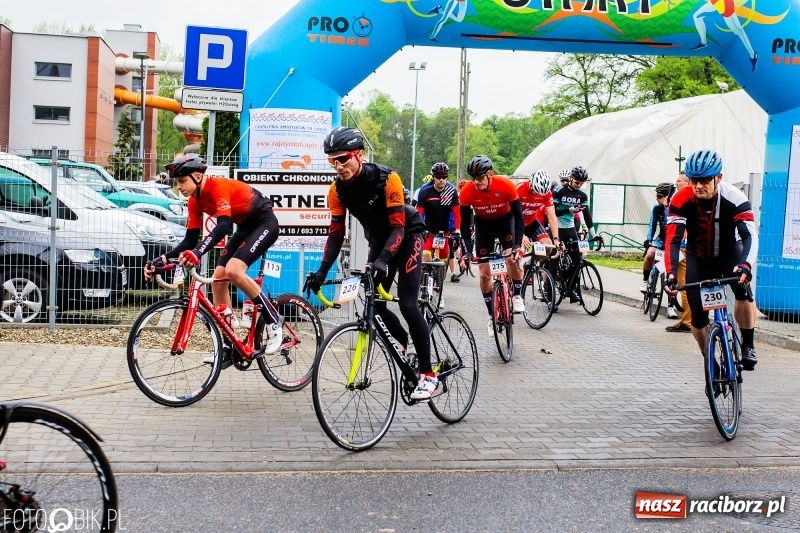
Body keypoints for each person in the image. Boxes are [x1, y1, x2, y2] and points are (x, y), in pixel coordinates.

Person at [306, 127, 436, 400]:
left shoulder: (387, 178)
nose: (338, 166)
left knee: (408, 304)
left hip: (408, 234)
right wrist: (322, 271)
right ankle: (406, 346)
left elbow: (398, 227)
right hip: (378, 241)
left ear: (359, 155)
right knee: (374, 306)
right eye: (332, 160)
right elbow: (336, 235)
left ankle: (428, 374)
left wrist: (384, 260)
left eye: (343, 159)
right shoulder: (336, 190)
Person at [143, 153, 284, 368]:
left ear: (198, 176)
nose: (178, 187)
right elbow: (189, 240)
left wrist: (198, 252)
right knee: (218, 280)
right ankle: (229, 345)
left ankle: (274, 321)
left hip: (264, 223)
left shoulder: (217, 186)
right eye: (176, 182)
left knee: (234, 270)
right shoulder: (194, 201)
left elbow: (223, 227)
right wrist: (159, 260)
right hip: (245, 227)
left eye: (182, 181)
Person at [664, 149, 758, 370]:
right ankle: (710, 361)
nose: (698, 186)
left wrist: (745, 264)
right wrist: (670, 272)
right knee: (698, 315)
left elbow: (749, 235)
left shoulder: (735, 197)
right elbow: (673, 240)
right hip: (699, 257)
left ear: (719, 178)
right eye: (694, 180)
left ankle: (748, 345)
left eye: (705, 180)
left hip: (729, 252)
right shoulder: (681, 198)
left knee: (742, 289)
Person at [459, 155, 526, 336]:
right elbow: (464, 225)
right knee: (484, 274)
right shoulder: (466, 191)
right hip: (484, 227)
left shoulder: (505, 185)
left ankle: (517, 295)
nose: (476, 182)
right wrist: (466, 251)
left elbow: (519, 217)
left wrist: (517, 245)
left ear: (490, 174)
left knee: (511, 260)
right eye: (473, 178)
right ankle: (491, 315)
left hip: (506, 224)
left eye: (480, 177)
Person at [551, 165, 599, 303]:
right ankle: (549, 294)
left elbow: (587, 215)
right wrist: (569, 210)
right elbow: (552, 213)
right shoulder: (559, 191)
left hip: (570, 229)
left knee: (577, 259)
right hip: (556, 228)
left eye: (581, 183)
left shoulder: (581, 195)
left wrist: (594, 234)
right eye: (577, 182)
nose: (579, 185)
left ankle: (569, 288)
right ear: (570, 178)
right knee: (554, 260)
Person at [416, 162, 462, 295]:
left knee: (442, 264)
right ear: (433, 177)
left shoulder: (451, 191)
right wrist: (420, 228)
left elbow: (457, 213)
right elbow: (419, 213)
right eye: (438, 177)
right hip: (429, 232)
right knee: (425, 259)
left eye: (444, 177)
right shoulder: (425, 192)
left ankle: (438, 288)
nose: (441, 180)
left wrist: (457, 230)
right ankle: (423, 287)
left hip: (444, 233)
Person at [666, 171, 693, 332]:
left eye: (679, 181)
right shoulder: (680, 198)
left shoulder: (685, 200)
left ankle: (688, 321)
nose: (676, 183)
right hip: (685, 248)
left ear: (688, 183)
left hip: (684, 248)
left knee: (684, 285)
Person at [517, 169, 560, 254]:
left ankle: (533, 262)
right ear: (531, 184)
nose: (538, 195)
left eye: (541, 194)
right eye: (536, 192)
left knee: (547, 246)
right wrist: (521, 236)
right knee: (519, 251)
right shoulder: (519, 189)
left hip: (531, 221)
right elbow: (510, 216)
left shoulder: (547, 193)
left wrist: (556, 239)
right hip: (516, 222)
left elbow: (552, 217)